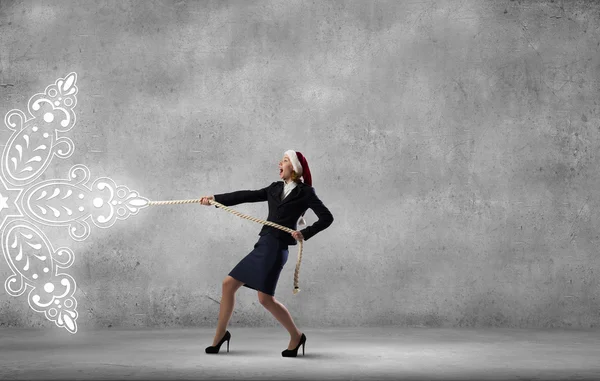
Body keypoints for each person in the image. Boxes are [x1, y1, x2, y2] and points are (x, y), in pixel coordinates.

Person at [199, 150, 334, 357]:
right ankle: (220, 335)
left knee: (265, 299)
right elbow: (246, 195)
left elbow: (327, 218)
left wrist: (304, 233)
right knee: (229, 285)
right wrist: (215, 199)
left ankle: (296, 336)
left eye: (285, 160)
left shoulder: (306, 192)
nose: (280, 163)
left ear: (295, 168)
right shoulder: (274, 188)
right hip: (263, 244)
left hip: (277, 248)